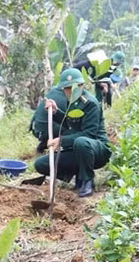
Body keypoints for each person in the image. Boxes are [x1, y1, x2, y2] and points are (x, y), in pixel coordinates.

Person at [32, 68, 111, 198]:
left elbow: (88, 134)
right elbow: (71, 124)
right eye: (67, 88)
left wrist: (61, 140)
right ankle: (77, 173)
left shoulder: (90, 103)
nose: (70, 91)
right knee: (41, 164)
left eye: (74, 87)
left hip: (97, 149)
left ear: (82, 85)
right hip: (79, 149)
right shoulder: (72, 101)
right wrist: (56, 112)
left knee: (81, 142)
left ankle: (87, 181)